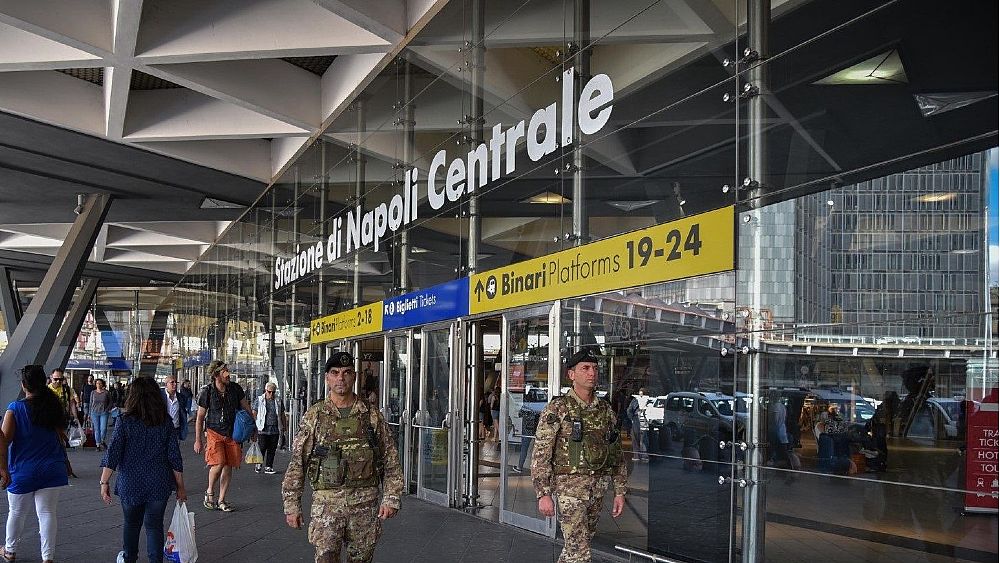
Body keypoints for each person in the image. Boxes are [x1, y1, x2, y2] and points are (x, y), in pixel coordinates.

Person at [282, 351, 403, 562]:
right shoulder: (315, 415)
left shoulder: (371, 415)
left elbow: (390, 459)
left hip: (365, 507)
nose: (341, 378)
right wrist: (292, 504)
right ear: (327, 378)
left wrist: (391, 497)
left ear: (354, 377)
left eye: (347, 373)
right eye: (335, 373)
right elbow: (298, 462)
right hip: (327, 507)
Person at [531, 348, 628, 563]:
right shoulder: (558, 408)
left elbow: (616, 453)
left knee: (575, 547)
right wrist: (543, 493)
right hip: (570, 491)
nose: (592, 373)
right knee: (580, 553)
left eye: (594, 368)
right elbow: (541, 453)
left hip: (597, 489)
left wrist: (620, 491)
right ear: (571, 374)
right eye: (585, 368)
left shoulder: (605, 410)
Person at [100, 376, 187, 563]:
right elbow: (174, 457)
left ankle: (129, 558)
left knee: (131, 525)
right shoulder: (165, 421)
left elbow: (113, 452)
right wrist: (180, 486)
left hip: (130, 482)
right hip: (158, 482)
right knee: (155, 526)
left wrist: (104, 481)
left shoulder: (125, 421)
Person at [0, 365, 70, 563]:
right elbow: (61, 436)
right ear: (45, 382)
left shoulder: (15, 408)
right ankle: (48, 557)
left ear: (24, 386)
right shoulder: (54, 405)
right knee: (47, 513)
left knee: (16, 512)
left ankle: (10, 551)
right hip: (52, 468)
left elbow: (5, 441)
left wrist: (3, 468)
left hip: (23, 469)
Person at [193, 360, 253, 512]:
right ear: (216, 375)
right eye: (225, 371)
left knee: (228, 466)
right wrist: (198, 440)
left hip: (233, 433)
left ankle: (221, 500)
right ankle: (209, 492)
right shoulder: (207, 392)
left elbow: (246, 407)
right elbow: (200, 417)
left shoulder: (235, 389)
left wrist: (254, 428)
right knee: (218, 463)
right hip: (214, 432)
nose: (228, 374)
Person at [253, 382, 287, 474]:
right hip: (262, 428)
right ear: (265, 391)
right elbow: (254, 413)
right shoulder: (259, 400)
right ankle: (259, 464)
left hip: (275, 429)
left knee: (272, 448)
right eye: (269, 392)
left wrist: (284, 426)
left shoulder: (278, 401)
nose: (271, 394)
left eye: (273, 392)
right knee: (262, 447)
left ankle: (268, 466)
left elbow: (282, 414)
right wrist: (253, 426)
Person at [162, 375, 189, 441]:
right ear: (166, 385)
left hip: (176, 430)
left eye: (176, 382)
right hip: (163, 429)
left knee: (175, 450)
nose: (175, 384)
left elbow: (182, 412)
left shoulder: (181, 397)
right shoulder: (160, 396)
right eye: (172, 382)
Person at [90, 378, 112, 450]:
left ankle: (102, 440)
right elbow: (90, 403)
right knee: (97, 429)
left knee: (103, 428)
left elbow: (110, 402)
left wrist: (107, 409)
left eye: (100, 383)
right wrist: (89, 413)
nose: (98, 385)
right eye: (97, 383)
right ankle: (98, 444)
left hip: (104, 412)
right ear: (95, 384)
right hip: (94, 412)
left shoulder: (106, 392)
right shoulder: (93, 392)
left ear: (103, 384)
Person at [627, 389, 649, 462]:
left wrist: (632, 418)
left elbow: (629, 410)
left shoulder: (635, 400)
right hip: (644, 420)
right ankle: (644, 456)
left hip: (637, 419)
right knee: (643, 438)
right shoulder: (649, 400)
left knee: (637, 438)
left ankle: (637, 456)